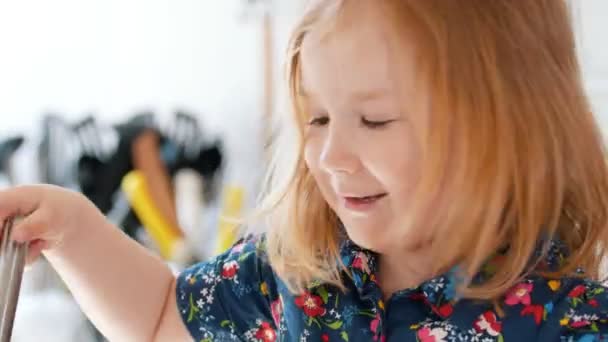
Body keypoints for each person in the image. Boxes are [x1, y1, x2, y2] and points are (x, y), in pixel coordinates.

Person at [2, 1, 608, 341]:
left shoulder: (574, 324)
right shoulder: (295, 274)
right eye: (316, 120)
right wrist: (70, 227)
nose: (330, 156)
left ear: (505, 126)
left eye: (374, 121)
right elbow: (163, 316)